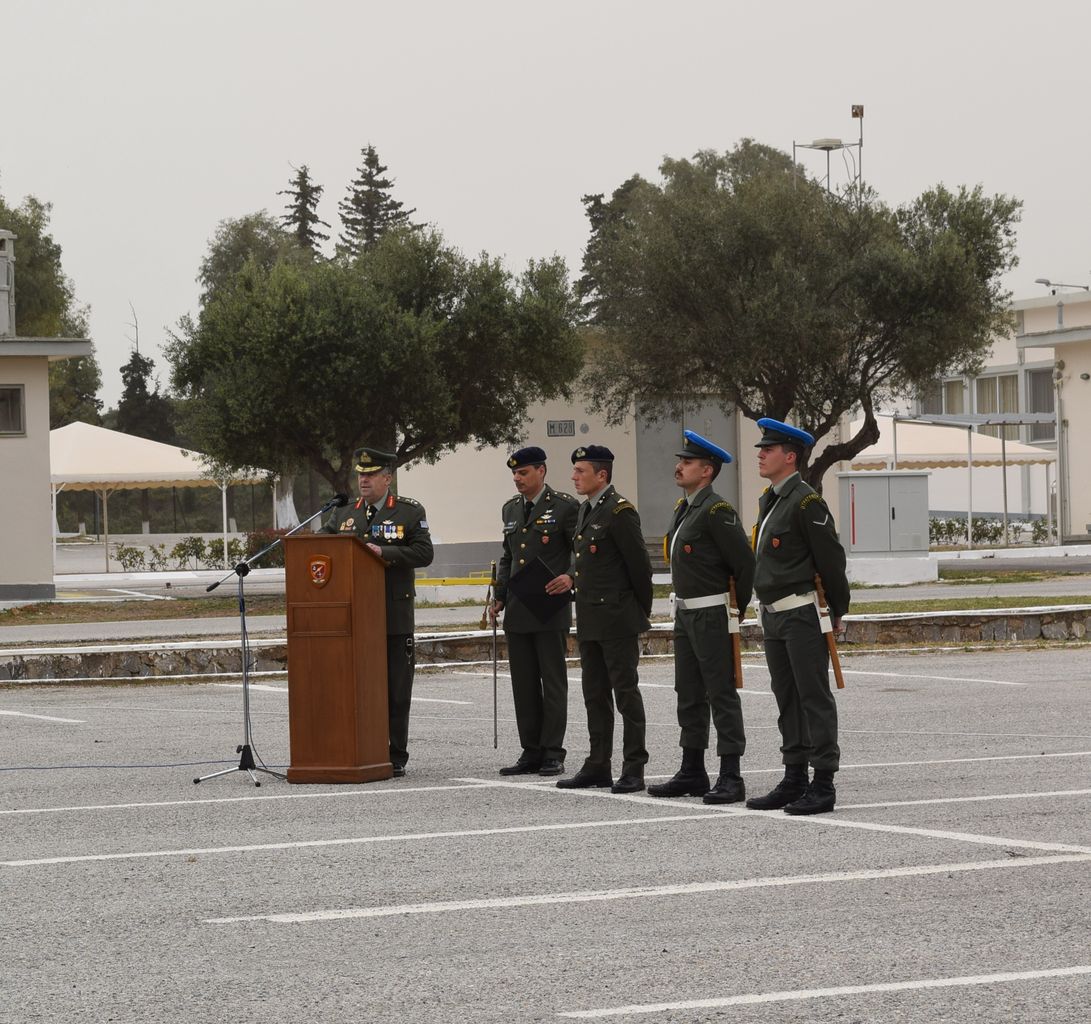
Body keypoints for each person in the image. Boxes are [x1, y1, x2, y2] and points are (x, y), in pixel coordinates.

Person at [746, 418, 849, 815]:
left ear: (789, 457)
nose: (760, 455)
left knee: (812, 698)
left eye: (768, 450)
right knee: (786, 698)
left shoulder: (806, 501)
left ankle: (823, 781)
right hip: (773, 616)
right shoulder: (770, 500)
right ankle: (794, 777)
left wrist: (839, 609)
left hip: (802, 613)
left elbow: (831, 559)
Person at [649, 430, 755, 804]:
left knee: (721, 693)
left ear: (707, 471)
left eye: (688, 462)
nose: (679, 467)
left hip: (712, 613)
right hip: (686, 614)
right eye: (681, 461)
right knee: (688, 693)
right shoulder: (686, 508)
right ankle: (692, 767)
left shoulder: (716, 511)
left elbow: (744, 565)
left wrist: (734, 612)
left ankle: (731, 774)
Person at [320, 446, 433, 777]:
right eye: (360, 475)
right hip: (353, 616)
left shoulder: (409, 512)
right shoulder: (343, 514)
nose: (363, 480)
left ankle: (395, 753)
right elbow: (322, 546)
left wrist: (383, 551)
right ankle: (359, 747)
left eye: (370, 475)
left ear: (388, 478)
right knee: (356, 687)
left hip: (391, 614)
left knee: (396, 689)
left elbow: (424, 553)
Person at [557, 445, 653, 794]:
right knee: (594, 694)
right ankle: (598, 763)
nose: (574, 477)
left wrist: (639, 612)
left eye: (580, 471)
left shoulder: (620, 511)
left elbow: (639, 567)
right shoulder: (586, 510)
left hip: (617, 618)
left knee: (625, 694)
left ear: (602, 475)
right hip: (591, 619)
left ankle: (634, 766)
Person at [491, 446, 579, 777]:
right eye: (514, 474)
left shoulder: (565, 507)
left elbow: (580, 550)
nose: (517, 479)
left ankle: (553, 751)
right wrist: (499, 594)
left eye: (523, 473)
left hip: (549, 605)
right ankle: (531, 750)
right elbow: (508, 556)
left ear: (541, 471)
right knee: (524, 684)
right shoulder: (511, 509)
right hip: (518, 606)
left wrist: (571, 576)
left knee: (552, 682)